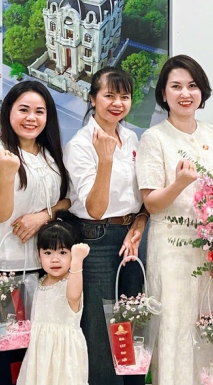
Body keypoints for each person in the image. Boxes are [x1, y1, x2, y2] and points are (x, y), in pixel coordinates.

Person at [136, 55, 213, 384]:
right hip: (172, 250)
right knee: (175, 327)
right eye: (175, 86)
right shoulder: (154, 138)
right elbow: (151, 203)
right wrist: (179, 184)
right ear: (163, 93)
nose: (185, 93)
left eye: (192, 86)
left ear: (202, 91)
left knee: (212, 323)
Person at [0, 79, 72, 385]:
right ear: (9, 112)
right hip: (9, 271)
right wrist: (7, 176)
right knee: (10, 358)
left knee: (41, 355)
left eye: (39, 111)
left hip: (48, 271)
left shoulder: (49, 154)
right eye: (24, 110)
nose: (31, 118)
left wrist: (43, 216)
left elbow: (68, 200)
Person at [65, 67, 149, 385]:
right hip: (96, 239)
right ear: (92, 98)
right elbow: (95, 208)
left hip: (131, 237)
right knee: (101, 327)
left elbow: (141, 196)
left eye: (124, 96)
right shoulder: (80, 144)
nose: (117, 103)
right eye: (109, 95)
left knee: (133, 320)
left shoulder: (131, 138)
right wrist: (105, 160)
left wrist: (139, 223)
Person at [17, 220, 90, 385]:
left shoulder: (71, 282)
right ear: (39, 255)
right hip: (39, 354)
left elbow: (74, 297)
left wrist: (78, 261)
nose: (55, 259)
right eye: (48, 253)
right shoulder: (39, 283)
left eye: (63, 252)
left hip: (64, 355)